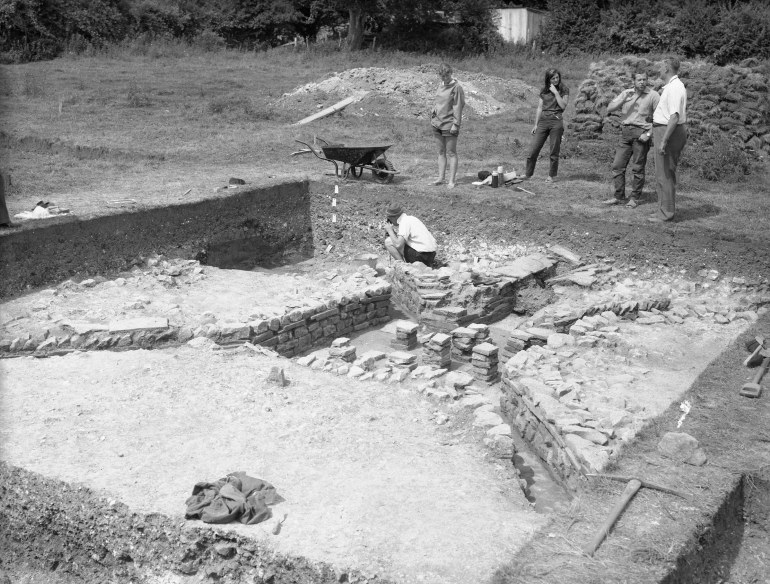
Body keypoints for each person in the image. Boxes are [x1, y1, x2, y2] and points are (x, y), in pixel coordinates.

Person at [602, 72, 660, 208]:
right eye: (639, 79)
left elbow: (659, 117)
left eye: (644, 79)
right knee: (617, 166)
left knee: (638, 168)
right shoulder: (626, 93)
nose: (642, 82)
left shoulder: (653, 95)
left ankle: (635, 198)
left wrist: (649, 134)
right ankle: (619, 197)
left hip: (641, 134)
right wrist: (623, 99)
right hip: (625, 133)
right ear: (633, 81)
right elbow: (609, 108)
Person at [649, 57, 688, 223]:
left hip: (668, 132)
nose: (658, 70)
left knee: (665, 173)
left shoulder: (674, 88)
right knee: (661, 173)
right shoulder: (672, 86)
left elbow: (674, 117)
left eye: (660, 67)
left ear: (666, 69)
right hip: (664, 130)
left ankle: (666, 213)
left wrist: (664, 140)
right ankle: (662, 210)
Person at [523, 68, 570, 183]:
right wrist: (535, 124)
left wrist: (556, 92)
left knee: (554, 151)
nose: (556, 80)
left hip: (556, 121)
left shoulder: (564, 89)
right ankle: (528, 174)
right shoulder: (544, 90)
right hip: (543, 121)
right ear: (548, 79)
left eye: (557, 77)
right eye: (553, 78)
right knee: (533, 150)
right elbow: (539, 107)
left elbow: (563, 106)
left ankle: (551, 176)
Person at [430, 64, 465, 189]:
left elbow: (458, 106)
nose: (444, 78)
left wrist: (456, 124)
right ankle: (440, 178)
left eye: (446, 75)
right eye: (442, 76)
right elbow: (438, 101)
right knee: (440, 151)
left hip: (449, 124)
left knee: (451, 152)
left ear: (451, 73)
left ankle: (451, 181)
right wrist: (433, 112)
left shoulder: (456, 88)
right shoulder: (440, 85)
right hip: (437, 123)